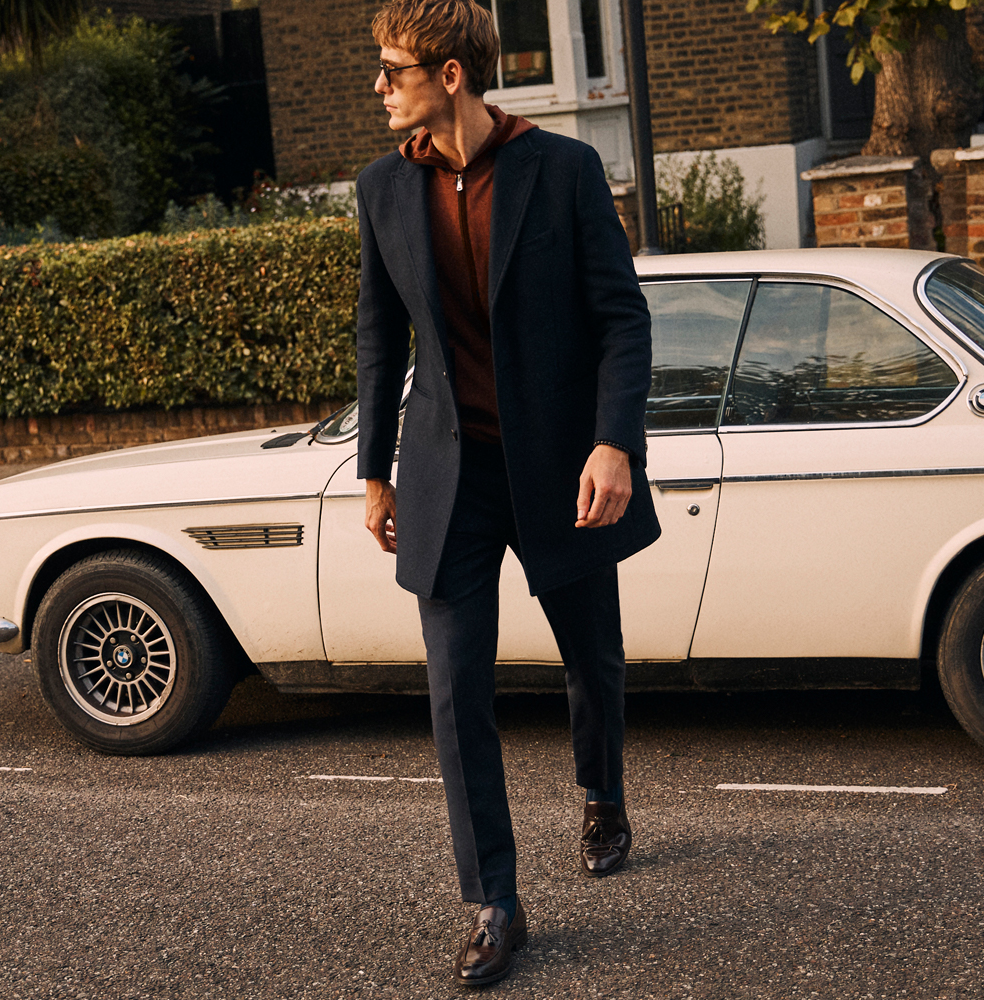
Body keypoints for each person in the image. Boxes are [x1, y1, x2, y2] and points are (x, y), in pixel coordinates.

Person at [354, 0, 660, 986]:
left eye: (393, 67)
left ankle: (601, 790)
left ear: (450, 74)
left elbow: (621, 318)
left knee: (592, 659)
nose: (378, 83)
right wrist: (372, 468)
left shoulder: (560, 170)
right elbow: (377, 336)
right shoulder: (381, 189)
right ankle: (493, 899)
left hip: (561, 468)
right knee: (454, 696)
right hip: (451, 476)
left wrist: (613, 444)